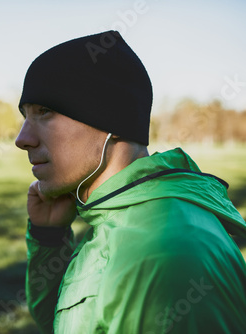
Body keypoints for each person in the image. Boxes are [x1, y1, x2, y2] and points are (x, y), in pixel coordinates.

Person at [14, 30, 246, 333]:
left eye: (44, 111)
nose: (22, 139)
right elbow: (66, 320)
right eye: (25, 116)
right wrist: (49, 238)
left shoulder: (159, 253)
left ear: (110, 119)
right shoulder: (122, 214)